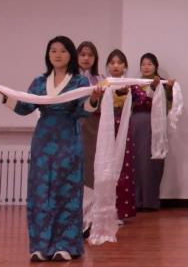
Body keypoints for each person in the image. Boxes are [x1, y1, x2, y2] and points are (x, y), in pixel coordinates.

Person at [0, 36, 102, 261]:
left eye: (63, 51)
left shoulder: (79, 82)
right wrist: (1, 93)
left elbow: (83, 111)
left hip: (68, 140)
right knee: (40, 193)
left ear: (71, 55)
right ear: (48, 55)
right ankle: (41, 245)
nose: (57, 55)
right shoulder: (39, 81)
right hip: (43, 142)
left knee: (66, 192)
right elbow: (25, 107)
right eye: (53, 51)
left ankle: (65, 245)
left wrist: (93, 99)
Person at [130, 53, 175, 211]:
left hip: (155, 126)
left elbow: (170, 106)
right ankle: (136, 202)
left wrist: (169, 89)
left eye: (149, 64)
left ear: (156, 66)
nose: (146, 67)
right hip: (136, 126)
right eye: (143, 64)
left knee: (152, 163)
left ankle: (150, 202)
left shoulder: (163, 84)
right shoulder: (135, 84)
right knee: (136, 162)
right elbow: (136, 101)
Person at [104, 49, 140, 221]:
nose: (116, 66)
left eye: (119, 62)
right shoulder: (104, 83)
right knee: (107, 168)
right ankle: (106, 211)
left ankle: (122, 212)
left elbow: (142, 98)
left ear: (125, 66)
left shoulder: (130, 84)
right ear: (107, 66)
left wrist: (130, 92)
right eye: (112, 62)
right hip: (106, 128)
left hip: (124, 127)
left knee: (124, 168)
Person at [76, 41, 102, 235]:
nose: (86, 58)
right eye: (83, 54)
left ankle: (88, 220)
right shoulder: (69, 79)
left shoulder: (101, 80)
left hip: (92, 129)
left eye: (90, 55)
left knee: (89, 174)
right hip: (72, 128)